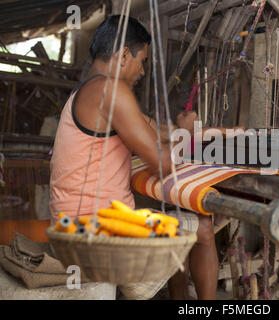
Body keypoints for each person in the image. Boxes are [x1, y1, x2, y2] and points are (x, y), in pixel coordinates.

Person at [49, 15, 217, 300]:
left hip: (71, 226)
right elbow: (164, 165)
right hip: (98, 235)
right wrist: (186, 137)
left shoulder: (89, 89)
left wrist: (180, 131)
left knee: (173, 223)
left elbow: (151, 127)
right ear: (124, 55)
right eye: (142, 60)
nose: (142, 71)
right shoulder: (111, 90)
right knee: (202, 228)